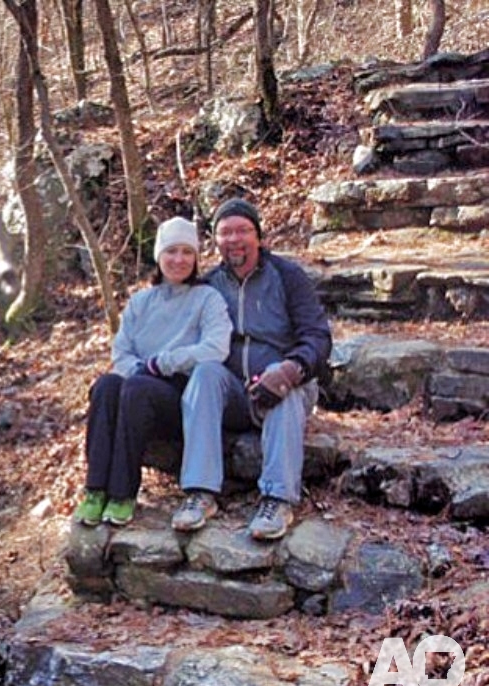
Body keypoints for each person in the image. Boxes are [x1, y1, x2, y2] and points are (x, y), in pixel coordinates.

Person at [171, 198, 332, 540]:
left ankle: (278, 499)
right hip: (234, 393)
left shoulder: (288, 277)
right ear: (214, 241)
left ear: (258, 235)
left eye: (242, 230)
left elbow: (318, 337)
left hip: (286, 384)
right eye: (225, 232)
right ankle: (200, 492)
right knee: (205, 373)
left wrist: (290, 369)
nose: (234, 239)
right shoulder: (208, 285)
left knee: (283, 385)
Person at [74, 216, 233, 527]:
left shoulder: (207, 298)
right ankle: (95, 490)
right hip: (139, 382)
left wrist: (164, 362)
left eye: (187, 252)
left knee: (136, 388)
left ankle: (122, 493)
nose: (179, 260)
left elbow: (216, 348)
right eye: (171, 251)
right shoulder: (141, 302)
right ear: (159, 256)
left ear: (197, 258)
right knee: (106, 385)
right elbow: (121, 351)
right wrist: (137, 369)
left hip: (181, 396)